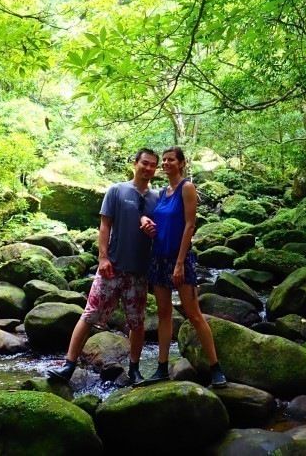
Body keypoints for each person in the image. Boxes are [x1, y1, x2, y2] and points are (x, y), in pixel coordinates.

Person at [48, 148, 159, 385]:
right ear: (135, 163)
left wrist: (154, 231)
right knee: (89, 315)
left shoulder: (156, 198)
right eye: (145, 163)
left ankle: (135, 370)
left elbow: (159, 232)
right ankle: (68, 365)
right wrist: (102, 258)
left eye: (153, 165)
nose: (148, 168)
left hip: (139, 271)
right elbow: (105, 226)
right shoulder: (117, 191)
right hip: (112, 267)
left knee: (137, 323)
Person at [140, 146, 227, 388]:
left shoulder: (186, 188)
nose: (166, 163)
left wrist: (179, 263)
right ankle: (161, 367)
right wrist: (145, 222)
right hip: (158, 258)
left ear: (181, 163)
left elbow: (190, 226)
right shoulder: (161, 192)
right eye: (164, 160)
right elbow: (151, 219)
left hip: (180, 259)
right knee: (164, 314)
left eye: (171, 160)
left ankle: (215, 367)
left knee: (194, 314)